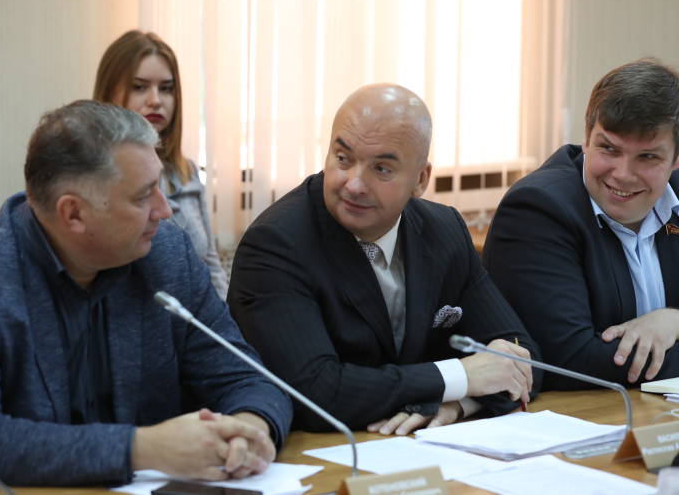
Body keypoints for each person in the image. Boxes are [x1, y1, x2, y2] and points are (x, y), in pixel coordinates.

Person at [0, 101, 291, 493]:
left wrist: (249, 428)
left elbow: (245, 376)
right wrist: (143, 448)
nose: (164, 210)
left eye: (160, 188)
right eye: (143, 196)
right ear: (73, 213)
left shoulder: (164, 255)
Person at [228, 84, 541, 435]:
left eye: (381, 169)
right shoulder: (277, 244)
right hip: (324, 451)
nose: (354, 184)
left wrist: (461, 403)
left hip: (421, 447)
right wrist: (459, 377)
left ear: (420, 180)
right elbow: (315, 391)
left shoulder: (444, 230)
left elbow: (521, 356)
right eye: (343, 158)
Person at [484, 59, 679, 389]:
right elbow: (571, 358)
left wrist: (675, 321)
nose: (623, 174)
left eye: (647, 157)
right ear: (586, 139)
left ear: (676, 159)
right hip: (580, 412)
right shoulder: (537, 209)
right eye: (609, 149)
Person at [94, 30, 229, 299]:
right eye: (139, 87)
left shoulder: (187, 170)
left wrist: (227, 317)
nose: (156, 100)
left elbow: (210, 264)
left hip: (197, 315)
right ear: (109, 92)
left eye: (166, 89)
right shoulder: (94, 173)